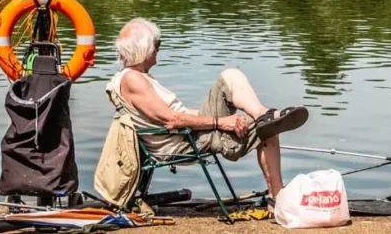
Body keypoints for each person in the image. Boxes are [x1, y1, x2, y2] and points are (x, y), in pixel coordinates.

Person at [104, 19, 309, 211]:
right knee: (231, 78)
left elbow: (175, 114)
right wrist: (221, 122)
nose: (158, 47)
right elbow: (171, 120)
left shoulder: (135, 77)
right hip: (182, 142)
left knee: (268, 123)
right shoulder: (133, 79)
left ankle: (266, 120)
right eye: (156, 43)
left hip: (186, 135)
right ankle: (277, 191)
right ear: (143, 48)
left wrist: (216, 119)